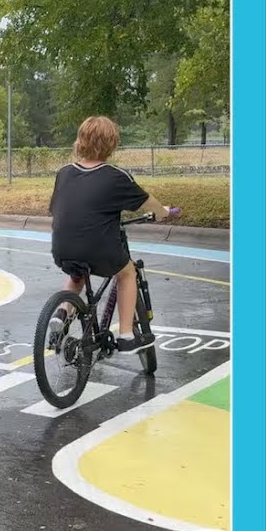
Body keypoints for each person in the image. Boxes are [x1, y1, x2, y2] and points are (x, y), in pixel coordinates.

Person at [47, 116, 179, 354]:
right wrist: (164, 213)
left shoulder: (64, 172)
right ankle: (127, 336)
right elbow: (146, 202)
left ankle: (62, 312)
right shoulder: (115, 176)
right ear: (112, 144)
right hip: (98, 250)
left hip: (61, 247)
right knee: (127, 273)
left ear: (80, 141)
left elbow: (56, 208)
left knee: (77, 275)